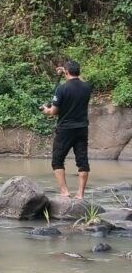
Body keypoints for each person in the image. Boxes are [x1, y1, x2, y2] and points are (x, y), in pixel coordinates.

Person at [41, 60, 93, 199]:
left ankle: (65, 191)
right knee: (82, 161)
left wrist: (46, 110)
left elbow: (53, 112)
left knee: (57, 161)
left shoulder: (62, 89)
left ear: (66, 72)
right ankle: (80, 194)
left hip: (65, 129)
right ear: (79, 72)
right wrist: (68, 71)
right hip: (82, 128)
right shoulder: (87, 87)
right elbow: (80, 80)